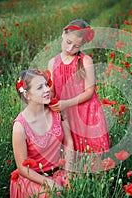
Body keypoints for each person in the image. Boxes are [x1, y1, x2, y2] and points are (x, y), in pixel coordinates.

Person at [47, 19, 110, 171]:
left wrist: (65, 103)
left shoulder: (86, 61)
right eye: (68, 42)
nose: (70, 48)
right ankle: (73, 188)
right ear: (63, 34)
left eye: (76, 46)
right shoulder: (52, 63)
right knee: (71, 158)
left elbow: (89, 92)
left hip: (87, 113)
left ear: (82, 45)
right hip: (66, 114)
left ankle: (97, 189)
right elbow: (53, 90)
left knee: (94, 162)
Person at [10, 69, 73, 198]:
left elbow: (68, 142)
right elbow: (23, 169)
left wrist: (68, 172)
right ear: (27, 95)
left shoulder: (57, 110)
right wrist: (49, 183)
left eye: (46, 84)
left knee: (82, 186)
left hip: (59, 172)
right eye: (40, 87)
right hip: (35, 178)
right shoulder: (20, 127)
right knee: (54, 195)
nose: (47, 89)